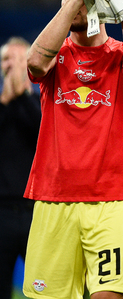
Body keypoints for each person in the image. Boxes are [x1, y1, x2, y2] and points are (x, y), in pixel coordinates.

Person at [22, 0, 123, 299]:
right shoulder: (56, 56)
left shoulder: (121, 56)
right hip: (53, 196)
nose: (72, 0)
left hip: (112, 198)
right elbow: (34, 63)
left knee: (108, 294)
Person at [0, 37, 41, 299]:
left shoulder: (40, 103)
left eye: (18, 59)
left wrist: (22, 94)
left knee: (45, 285)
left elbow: (40, 132)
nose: (11, 65)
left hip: (34, 213)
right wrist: (6, 99)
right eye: (6, 59)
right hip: (1, 212)